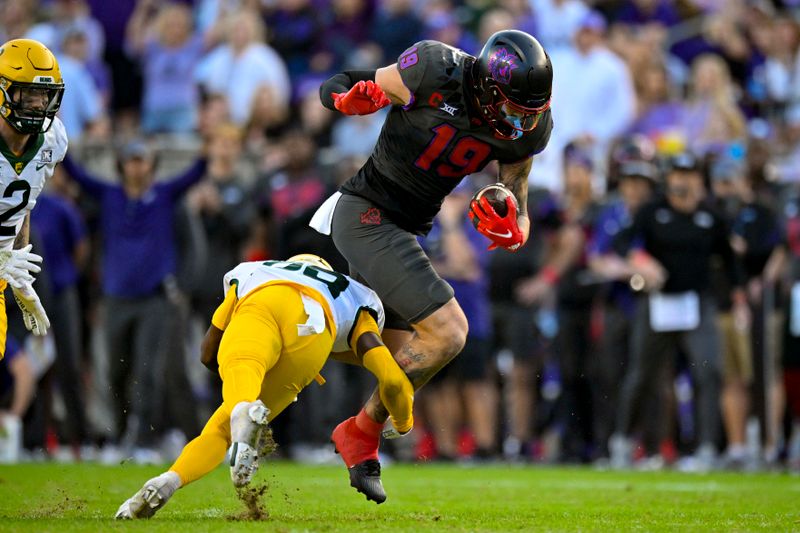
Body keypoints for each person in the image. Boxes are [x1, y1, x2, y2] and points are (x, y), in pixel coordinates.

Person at [312, 29, 553, 501]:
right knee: (449, 332)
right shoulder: (434, 68)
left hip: (403, 231)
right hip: (367, 213)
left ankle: (286, 349)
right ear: (485, 87)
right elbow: (345, 82)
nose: (518, 123)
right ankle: (360, 434)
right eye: (510, 109)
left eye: (528, 113)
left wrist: (515, 228)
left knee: (395, 366)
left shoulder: (528, 127)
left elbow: (518, 203)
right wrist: (349, 102)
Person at [115, 255, 414, 519]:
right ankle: (185, 468)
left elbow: (207, 352)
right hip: (314, 329)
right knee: (226, 427)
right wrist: (403, 422)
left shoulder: (256, 270)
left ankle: (180, 469)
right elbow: (392, 378)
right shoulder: (352, 294)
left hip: (261, 303)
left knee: (235, 398)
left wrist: (237, 384)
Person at [61, 141, 207, 463]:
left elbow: (196, 173)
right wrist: (56, 136)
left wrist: (207, 146)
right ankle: (119, 434)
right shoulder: (110, 196)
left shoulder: (165, 196)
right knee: (115, 370)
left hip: (154, 299)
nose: (137, 167)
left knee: (147, 370)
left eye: (143, 161)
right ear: (121, 165)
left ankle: (144, 440)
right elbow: (75, 173)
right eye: (131, 161)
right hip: (116, 298)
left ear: (151, 165)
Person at [610, 152, 747, 471]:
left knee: (708, 371)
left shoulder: (711, 216)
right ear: (669, 179)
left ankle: (707, 447)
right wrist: (640, 261)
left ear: (699, 180)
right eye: (678, 174)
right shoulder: (652, 211)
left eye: (689, 174)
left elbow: (730, 261)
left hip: (696, 301)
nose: (683, 181)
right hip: (657, 301)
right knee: (642, 374)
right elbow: (622, 243)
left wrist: (739, 300)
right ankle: (623, 441)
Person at [0, 39, 69, 355]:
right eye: (28, 93)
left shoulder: (52, 140)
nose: (39, 104)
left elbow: (23, 204)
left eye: (44, 94)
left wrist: (18, 275)